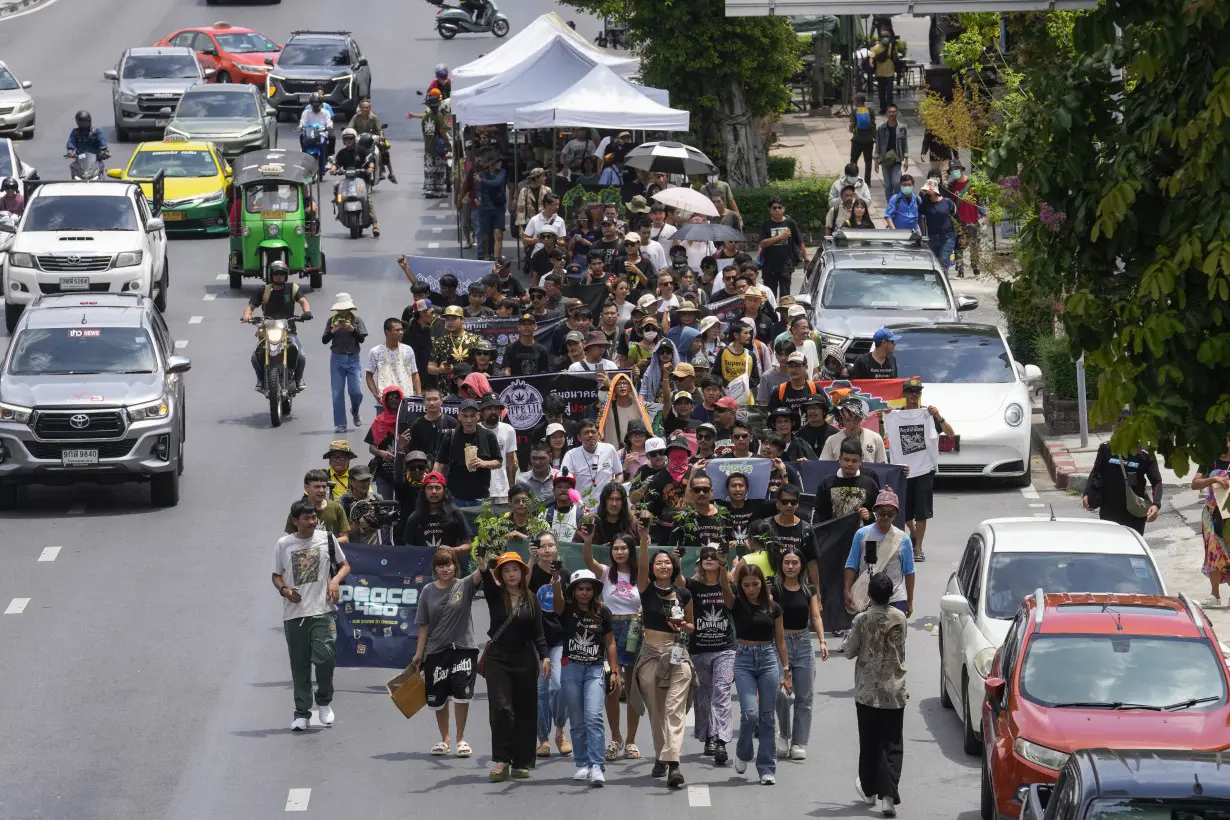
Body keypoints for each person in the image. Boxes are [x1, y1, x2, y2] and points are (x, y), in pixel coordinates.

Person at [272, 499, 349, 731]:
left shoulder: (326, 539)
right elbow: (276, 575)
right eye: (306, 518)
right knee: (300, 665)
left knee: (325, 658)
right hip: (294, 614)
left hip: (322, 611)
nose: (311, 522)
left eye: (314, 517)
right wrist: (284, 590)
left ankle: (324, 702)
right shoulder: (284, 544)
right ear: (295, 521)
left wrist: (334, 580)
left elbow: (344, 565)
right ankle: (302, 713)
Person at [631, 527, 696, 790]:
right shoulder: (646, 589)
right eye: (658, 563)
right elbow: (642, 566)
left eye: (667, 562)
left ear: (674, 567)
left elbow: (692, 625)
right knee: (657, 712)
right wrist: (645, 538)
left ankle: (673, 764)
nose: (663, 566)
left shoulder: (684, 594)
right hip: (650, 654)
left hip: (677, 652)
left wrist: (682, 625)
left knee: (674, 710)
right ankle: (661, 755)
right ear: (653, 568)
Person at [478, 550, 551, 782]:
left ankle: (521, 762)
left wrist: (545, 657)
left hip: (525, 660)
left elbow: (538, 633)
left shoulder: (531, 599)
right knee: (501, 709)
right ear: (500, 573)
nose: (511, 574)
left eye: (515, 569)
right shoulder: (494, 594)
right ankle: (501, 760)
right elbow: (485, 577)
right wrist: (481, 564)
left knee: (525, 711)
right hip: (498, 659)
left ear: (522, 572)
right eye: (506, 570)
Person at [844, 572, 908, 818]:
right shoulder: (900, 617)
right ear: (891, 594)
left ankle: (870, 791)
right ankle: (889, 796)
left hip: (867, 692)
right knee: (892, 744)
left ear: (869, 594)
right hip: (894, 690)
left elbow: (850, 650)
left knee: (869, 743)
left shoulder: (862, 620)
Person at [410, 547, 480, 756]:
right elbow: (423, 625)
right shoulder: (428, 591)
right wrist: (419, 653)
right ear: (435, 569)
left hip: (463, 648)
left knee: (461, 694)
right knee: (438, 697)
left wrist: (484, 557)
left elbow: (481, 572)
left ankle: (460, 739)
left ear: (455, 566)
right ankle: (445, 740)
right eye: (440, 565)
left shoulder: (464, 585)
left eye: (448, 564)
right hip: (436, 650)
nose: (445, 569)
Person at [580, 527, 643, 760]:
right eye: (615, 548)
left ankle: (631, 740)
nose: (619, 552)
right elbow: (589, 560)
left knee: (633, 686)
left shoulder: (640, 574)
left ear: (631, 550)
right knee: (612, 686)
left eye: (623, 548)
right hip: (609, 630)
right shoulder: (606, 573)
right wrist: (587, 541)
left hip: (635, 630)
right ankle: (615, 737)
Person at [552, 566, 618, 786]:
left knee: (594, 717)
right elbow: (557, 601)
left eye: (589, 589)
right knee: (578, 721)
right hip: (570, 667)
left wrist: (615, 671)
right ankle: (582, 764)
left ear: (594, 590)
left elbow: (610, 642)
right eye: (580, 589)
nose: (585, 593)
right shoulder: (566, 608)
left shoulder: (603, 611)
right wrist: (554, 579)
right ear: (573, 591)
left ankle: (597, 765)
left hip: (595, 669)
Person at [883, 377, 955, 561]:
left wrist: (939, 416)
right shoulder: (895, 414)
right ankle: (913, 532)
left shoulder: (928, 415)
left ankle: (918, 548)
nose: (914, 395)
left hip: (924, 469)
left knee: (922, 511)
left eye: (917, 392)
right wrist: (884, 419)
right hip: (903, 470)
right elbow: (882, 434)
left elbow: (950, 433)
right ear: (904, 394)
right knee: (904, 511)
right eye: (910, 392)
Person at [730, 563, 788, 785]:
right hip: (743, 659)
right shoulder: (736, 604)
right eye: (746, 585)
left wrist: (787, 670)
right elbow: (726, 583)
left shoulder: (773, 608)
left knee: (767, 715)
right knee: (750, 714)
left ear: (762, 584)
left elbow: (781, 641)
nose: (751, 589)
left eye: (755, 584)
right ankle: (743, 752)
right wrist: (728, 562)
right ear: (740, 585)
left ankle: (766, 768)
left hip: (768, 659)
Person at [772, 548, 827, 761]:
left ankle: (799, 742)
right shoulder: (775, 590)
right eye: (787, 562)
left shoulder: (809, 589)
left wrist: (822, 641)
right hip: (780, 642)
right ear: (782, 565)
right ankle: (784, 734)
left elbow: (815, 616)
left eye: (795, 562)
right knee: (781, 692)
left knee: (804, 696)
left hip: (803, 643)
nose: (790, 566)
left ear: (801, 565)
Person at [687, 543, 736, 766]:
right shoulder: (692, 585)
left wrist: (723, 566)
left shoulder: (728, 583)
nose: (710, 559)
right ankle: (708, 735)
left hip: (725, 648)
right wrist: (676, 562)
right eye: (705, 556)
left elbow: (728, 597)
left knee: (722, 691)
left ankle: (722, 740)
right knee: (704, 695)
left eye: (714, 556)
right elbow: (677, 583)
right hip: (700, 649)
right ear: (699, 561)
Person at [526, 533, 571, 760]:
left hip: (559, 639)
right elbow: (520, 589)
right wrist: (531, 560)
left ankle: (560, 732)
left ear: (557, 547)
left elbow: (564, 609)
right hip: (535, 640)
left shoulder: (564, 574)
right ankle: (542, 739)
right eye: (542, 546)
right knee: (541, 691)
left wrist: (556, 583)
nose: (546, 550)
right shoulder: (530, 571)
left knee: (559, 686)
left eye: (550, 545)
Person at [1081, 413, 1163, 535]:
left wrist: (1156, 504)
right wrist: (1087, 493)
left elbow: (1156, 481)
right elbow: (1095, 472)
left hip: (1134, 513)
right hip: (1109, 513)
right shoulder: (1106, 449)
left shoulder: (1144, 454)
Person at [843, 489, 915, 619]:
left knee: (894, 638)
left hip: (895, 599)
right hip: (868, 598)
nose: (886, 517)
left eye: (890, 513)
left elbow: (909, 571)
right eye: (882, 513)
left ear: (896, 514)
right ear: (875, 512)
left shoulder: (903, 539)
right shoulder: (863, 534)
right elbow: (851, 564)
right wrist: (847, 590)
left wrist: (909, 601)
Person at [241, 261, 312, 391]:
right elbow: (250, 307)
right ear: (271, 275)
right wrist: (247, 315)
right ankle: (261, 380)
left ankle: (298, 379)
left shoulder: (292, 288)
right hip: (267, 330)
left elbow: (303, 301)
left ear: (286, 276)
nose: (279, 276)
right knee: (255, 356)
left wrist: (306, 312)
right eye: (276, 274)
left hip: (288, 330)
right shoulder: (264, 290)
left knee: (301, 355)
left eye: (282, 274)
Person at [432, 399, 502, 507]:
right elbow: (439, 463)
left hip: (481, 498)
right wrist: (434, 484)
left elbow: (498, 462)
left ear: (478, 416)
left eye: (472, 416)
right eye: (465, 416)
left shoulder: (488, 436)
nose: (469, 420)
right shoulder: (451, 436)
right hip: (455, 497)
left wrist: (483, 463)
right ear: (459, 416)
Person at [1191, 433, 1230, 607]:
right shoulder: (1210, 460)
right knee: (1214, 553)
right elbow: (1195, 483)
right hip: (1212, 513)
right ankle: (1215, 595)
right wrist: (1213, 479)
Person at [322, 294, 368, 433]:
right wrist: (333, 330)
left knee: (356, 391)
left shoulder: (357, 320)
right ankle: (340, 423)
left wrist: (351, 330)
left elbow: (362, 339)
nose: (343, 313)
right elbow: (324, 340)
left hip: (353, 358)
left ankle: (355, 411)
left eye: (345, 309)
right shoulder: (332, 320)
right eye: (340, 310)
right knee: (337, 393)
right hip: (337, 359)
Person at [816, 437, 881, 526]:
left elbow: (879, 513)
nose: (850, 464)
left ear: (860, 461)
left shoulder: (870, 484)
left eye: (854, 461)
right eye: (846, 460)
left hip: (862, 537)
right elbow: (818, 513)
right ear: (840, 458)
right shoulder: (827, 483)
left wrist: (870, 515)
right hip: (833, 538)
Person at [402, 471, 473, 552]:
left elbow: (468, 546)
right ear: (424, 491)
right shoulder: (414, 518)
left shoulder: (455, 514)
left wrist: (452, 550)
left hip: (448, 563)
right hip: (422, 563)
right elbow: (408, 550)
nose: (434, 492)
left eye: (438, 488)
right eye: (430, 488)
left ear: (444, 491)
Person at [330, 128, 380, 236]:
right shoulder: (342, 153)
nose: (348, 141)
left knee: (368, 199)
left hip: (363, 181)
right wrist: (333, 169)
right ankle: (340, 207)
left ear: (354, 139)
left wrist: (370, 168)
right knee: (336, 187)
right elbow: (336, 163)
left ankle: (375, 224)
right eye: (346, 139)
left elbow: (370, 160)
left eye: (350, 139)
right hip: (348, 181)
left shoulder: (361, 150)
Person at [758, 198, 807, 300]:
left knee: (785, 297)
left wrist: (806, 259)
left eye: (779, 207)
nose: (777, 210)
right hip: (769, 266)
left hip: (786, 265)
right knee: (769, 296)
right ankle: (771, 316)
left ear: (783, 209)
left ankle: (784, 316)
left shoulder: (791, 223)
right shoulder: (766, 224)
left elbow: (800, 242)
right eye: (774, 208)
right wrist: (780, 237)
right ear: (770, 210)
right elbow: (762, 243)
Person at [364, 317, 420, 402]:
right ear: (387, 332)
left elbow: (414, 373)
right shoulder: (376, 351)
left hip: (406, 400)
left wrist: (419, 396)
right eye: (397, 330)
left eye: (401, 329)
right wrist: (376, 395)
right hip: (385, 402)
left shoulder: (408, 350)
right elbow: (369, 376)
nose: (401, 332)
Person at [562, 420, 622, 497]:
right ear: (579, 437)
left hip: (606, 505)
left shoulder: (609, 449)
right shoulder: (570, 455)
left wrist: (615, 487)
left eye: (593, 432)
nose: (590, 435)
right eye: (586, 433)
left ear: (599, 435)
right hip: (582, 506)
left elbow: (619, 473)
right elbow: (565, 481)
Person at [408, 89, 450, 199]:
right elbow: (442, 131)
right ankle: (438, 191)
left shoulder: (426, 117)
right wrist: (447, 142)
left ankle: (429, 190)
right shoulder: (439, 116)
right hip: (438, 148)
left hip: (428, 147)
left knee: (429, 169)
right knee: (439, 169)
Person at [286, 469, 350, 540]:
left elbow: (344, 538)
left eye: (324, 487)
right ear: (306, 488)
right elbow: (291, 540)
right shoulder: (298, 509)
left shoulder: (336, 507)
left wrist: (324, 545)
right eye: (317, 487)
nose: (322, 490)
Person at [349, 99, 397, 184]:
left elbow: (379, 130)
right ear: (360, 108)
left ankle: (390, 173)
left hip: (372, 140)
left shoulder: (374, 118)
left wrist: (381, 136)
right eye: (363, 108)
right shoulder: (355, 117)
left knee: (384, 152)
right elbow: (350, 128)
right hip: (359, 140)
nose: (365, 110)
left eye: (367, 108)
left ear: (369, 108)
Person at [948, 164, 982, 278]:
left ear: (962, 170)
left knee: (974, 245)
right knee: (959, 245)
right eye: (952, 170)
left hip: (972, 219)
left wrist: (983, 215)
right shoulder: (951, 186)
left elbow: (980, 201)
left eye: (956, 169)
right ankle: (960, 269)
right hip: (958, 220)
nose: (954, 172)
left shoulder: (972, 183)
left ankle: (975, 266)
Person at [920, 179, 957, 274]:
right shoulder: (926, 204)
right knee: (934, 265)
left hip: (948, 237)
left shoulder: (947, 202)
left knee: (943, 264)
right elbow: (920, 210)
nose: (926, 192)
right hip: (933, 238)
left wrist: (962, 234)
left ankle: (944, 287)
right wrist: (928, 195)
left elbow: (957, 217)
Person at [874, 105, 909, 205]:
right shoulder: (881, 128)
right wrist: (876, 161)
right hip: (885, 160)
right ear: (887, 114)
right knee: (888, 185)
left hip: (897, 159)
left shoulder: (902, 128)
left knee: (896, 183)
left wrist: (906, 159)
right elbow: (878, 144)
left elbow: (905, 144)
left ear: (897, 113)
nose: (891, 114)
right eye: (889, 112)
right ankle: (890, 205)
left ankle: (898, 202)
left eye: (893, 112)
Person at [848, 95, 877, 185]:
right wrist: (875, 138)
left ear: (857, 100)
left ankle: (852, 180)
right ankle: (867, 182)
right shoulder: (870, 110)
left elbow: (852, 125)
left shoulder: (855, 111)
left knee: (853, 161)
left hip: (857, 140)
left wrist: (851, 129)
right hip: (868, 140)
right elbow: (873, 125)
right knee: (868, 162)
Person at [870, 34, 898, 113]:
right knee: (881, 92)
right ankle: (882, 108)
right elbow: (871, 57)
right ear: (881, 38)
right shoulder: (876, 47)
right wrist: (871, 63)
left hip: (890, 73)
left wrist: (894, 50)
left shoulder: (891, 47)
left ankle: (890, 108)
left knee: (889, 92)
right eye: (884, 37)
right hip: (880, 74)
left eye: (887, 37)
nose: (886, 39)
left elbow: (895, 57)